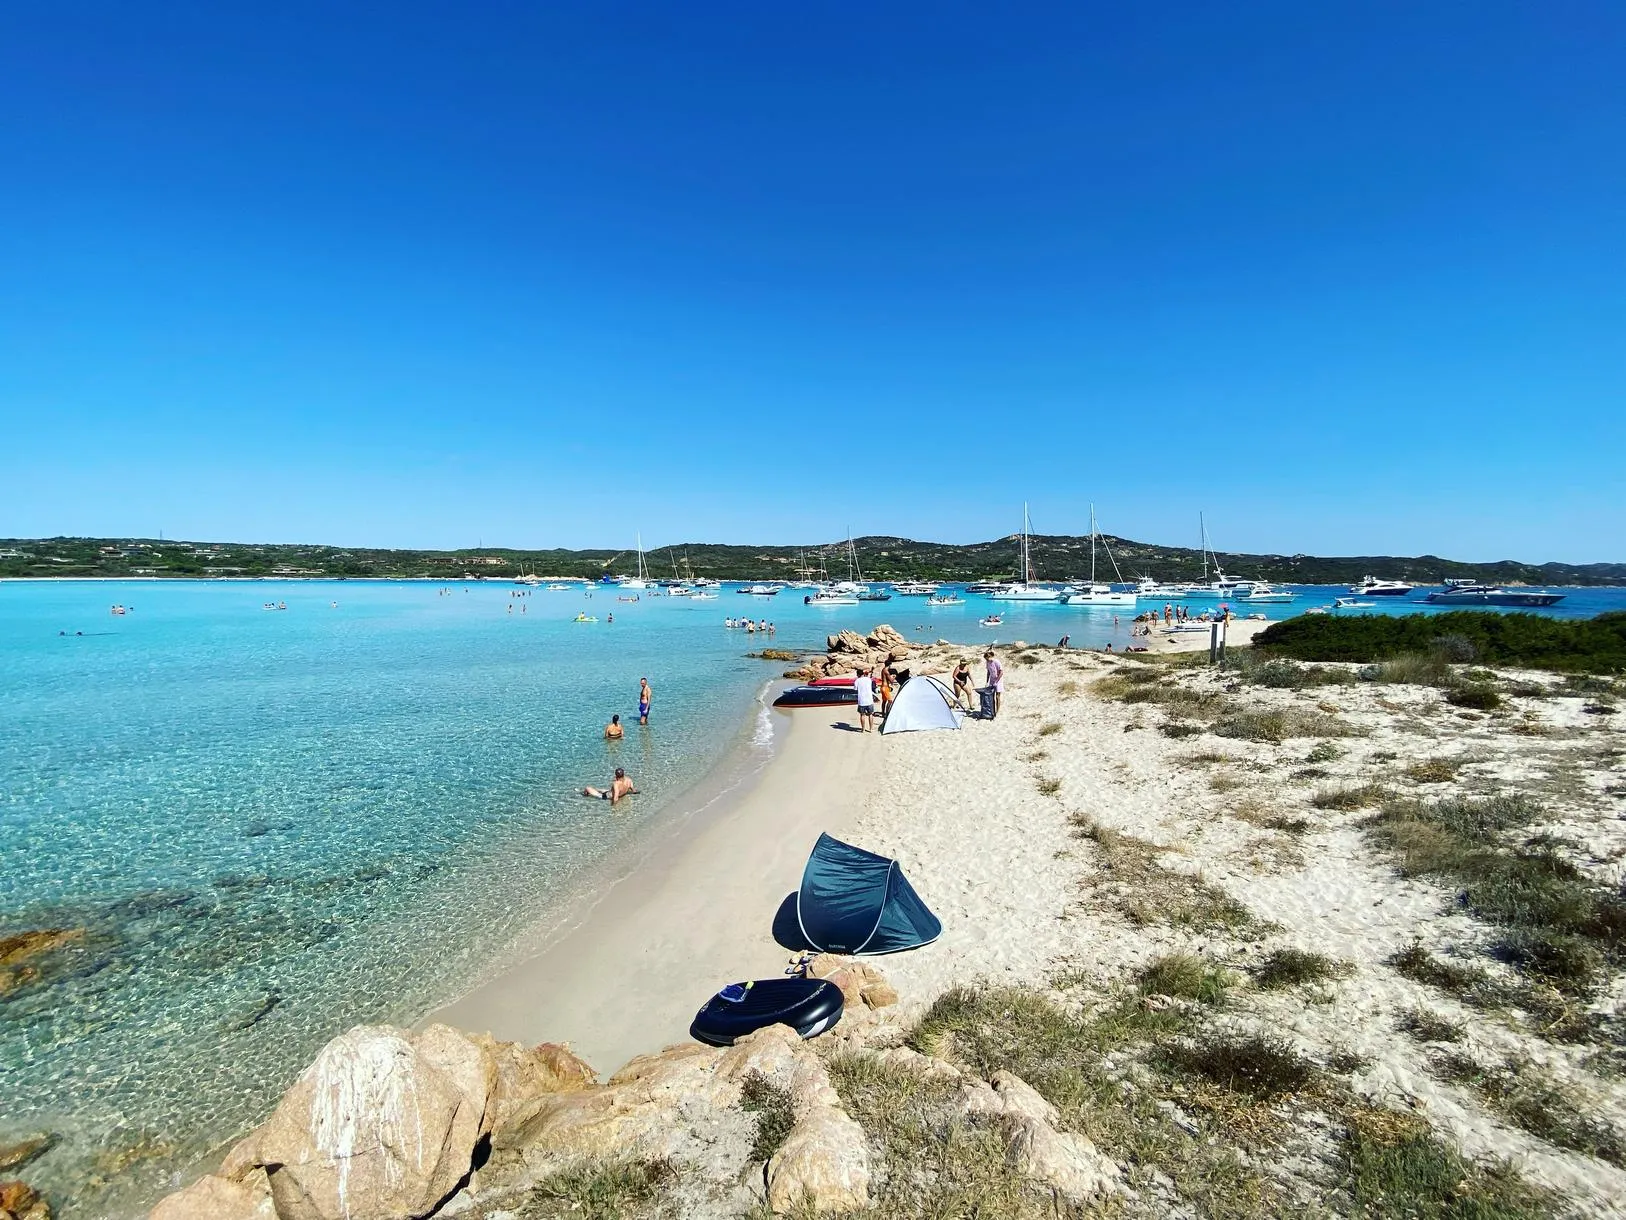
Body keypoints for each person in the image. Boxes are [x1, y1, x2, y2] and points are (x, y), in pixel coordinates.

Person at [853, 667, 877, 733]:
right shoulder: (869, 679)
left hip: (861, 700)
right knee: (870, 714)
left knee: (862, 715)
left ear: (858, 674)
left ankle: (863, 729)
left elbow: (855, 689)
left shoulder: (857, 681)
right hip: (869, 700)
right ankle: (871, 728)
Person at [984, 649, 1004, 716]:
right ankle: (992, 710)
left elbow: (1001, 672)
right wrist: (987, 681)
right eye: (986, 659)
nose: (987, 660)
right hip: (992, 680)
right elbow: (988, 672)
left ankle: (997, 711)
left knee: (997, 696)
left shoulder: (996, 662)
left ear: (990, 656)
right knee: (991, 695)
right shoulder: (987, 662)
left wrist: (996, 681)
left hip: (998, 680)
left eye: (987, 658)